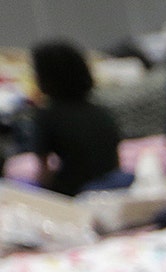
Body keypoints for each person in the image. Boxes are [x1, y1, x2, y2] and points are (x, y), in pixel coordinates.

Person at [26, 42, 122, 197]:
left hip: (75, 193)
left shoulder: (48, 116)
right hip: (114, 186)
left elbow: (43, 173)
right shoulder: (102, 112)